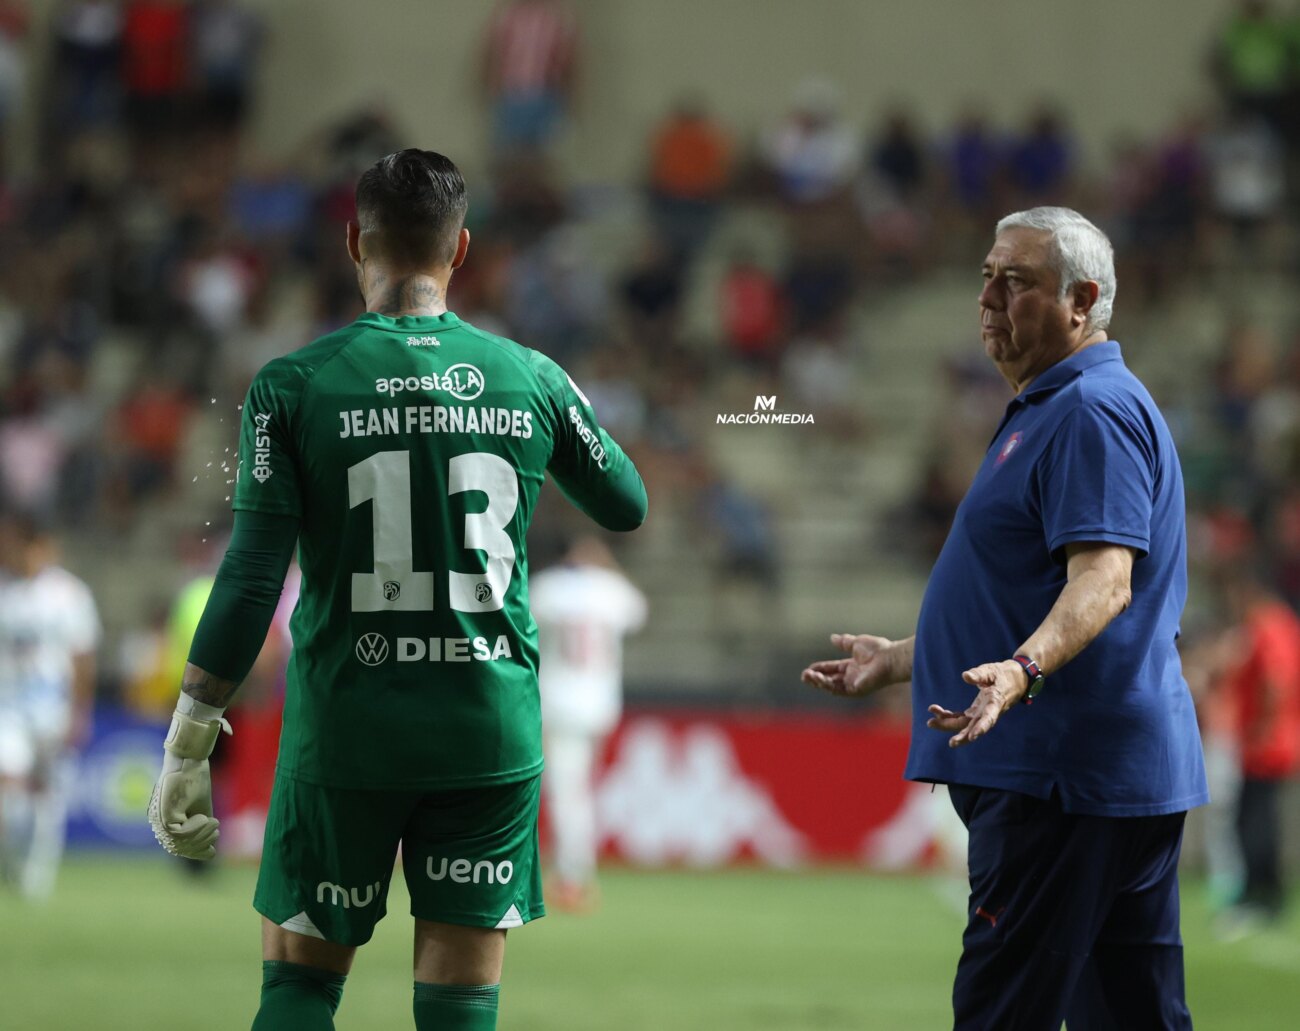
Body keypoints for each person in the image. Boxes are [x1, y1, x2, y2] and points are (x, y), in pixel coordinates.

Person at [147, 149, 647, 1031]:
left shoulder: (291, 386)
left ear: (352, 242)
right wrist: (559, 405)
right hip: (486, 729)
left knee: (300, 988)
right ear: (462, 251)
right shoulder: (530, 376)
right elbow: (626, 503)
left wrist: (190, 740)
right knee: (459, 1003)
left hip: (349, 729)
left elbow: (254, 571)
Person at [803, 206, 1207, 1030]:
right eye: (986, 275)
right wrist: (899, 659)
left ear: (1081, 299)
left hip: (1059, 776)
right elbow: (1025, 598)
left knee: (1001, 1013)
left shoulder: (1088, 409)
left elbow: (1104, 581)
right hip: (1099, 774)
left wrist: (1023, 672)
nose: (986, 296)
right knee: (1133, 1015)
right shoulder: (1055, 404)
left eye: (1015, 281)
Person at [530, 536, 646, 910]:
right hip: (598, 705)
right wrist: (606, 566)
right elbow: (639, 612)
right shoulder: (613, 589)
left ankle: (571, 877)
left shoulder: (548, 587)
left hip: (559, 700)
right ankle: (570, 872)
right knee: (576, 790)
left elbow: (521, 621)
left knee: (567, 793)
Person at [0, 512, 99, 900]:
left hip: (52, 708)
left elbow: (83, 657)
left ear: (36, 546)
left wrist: (80, 711)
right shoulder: (5, 592)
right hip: (9, 708)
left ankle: (34, 874)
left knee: (45, 794)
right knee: (8, 780)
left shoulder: (69, 594)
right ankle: (11, 859)